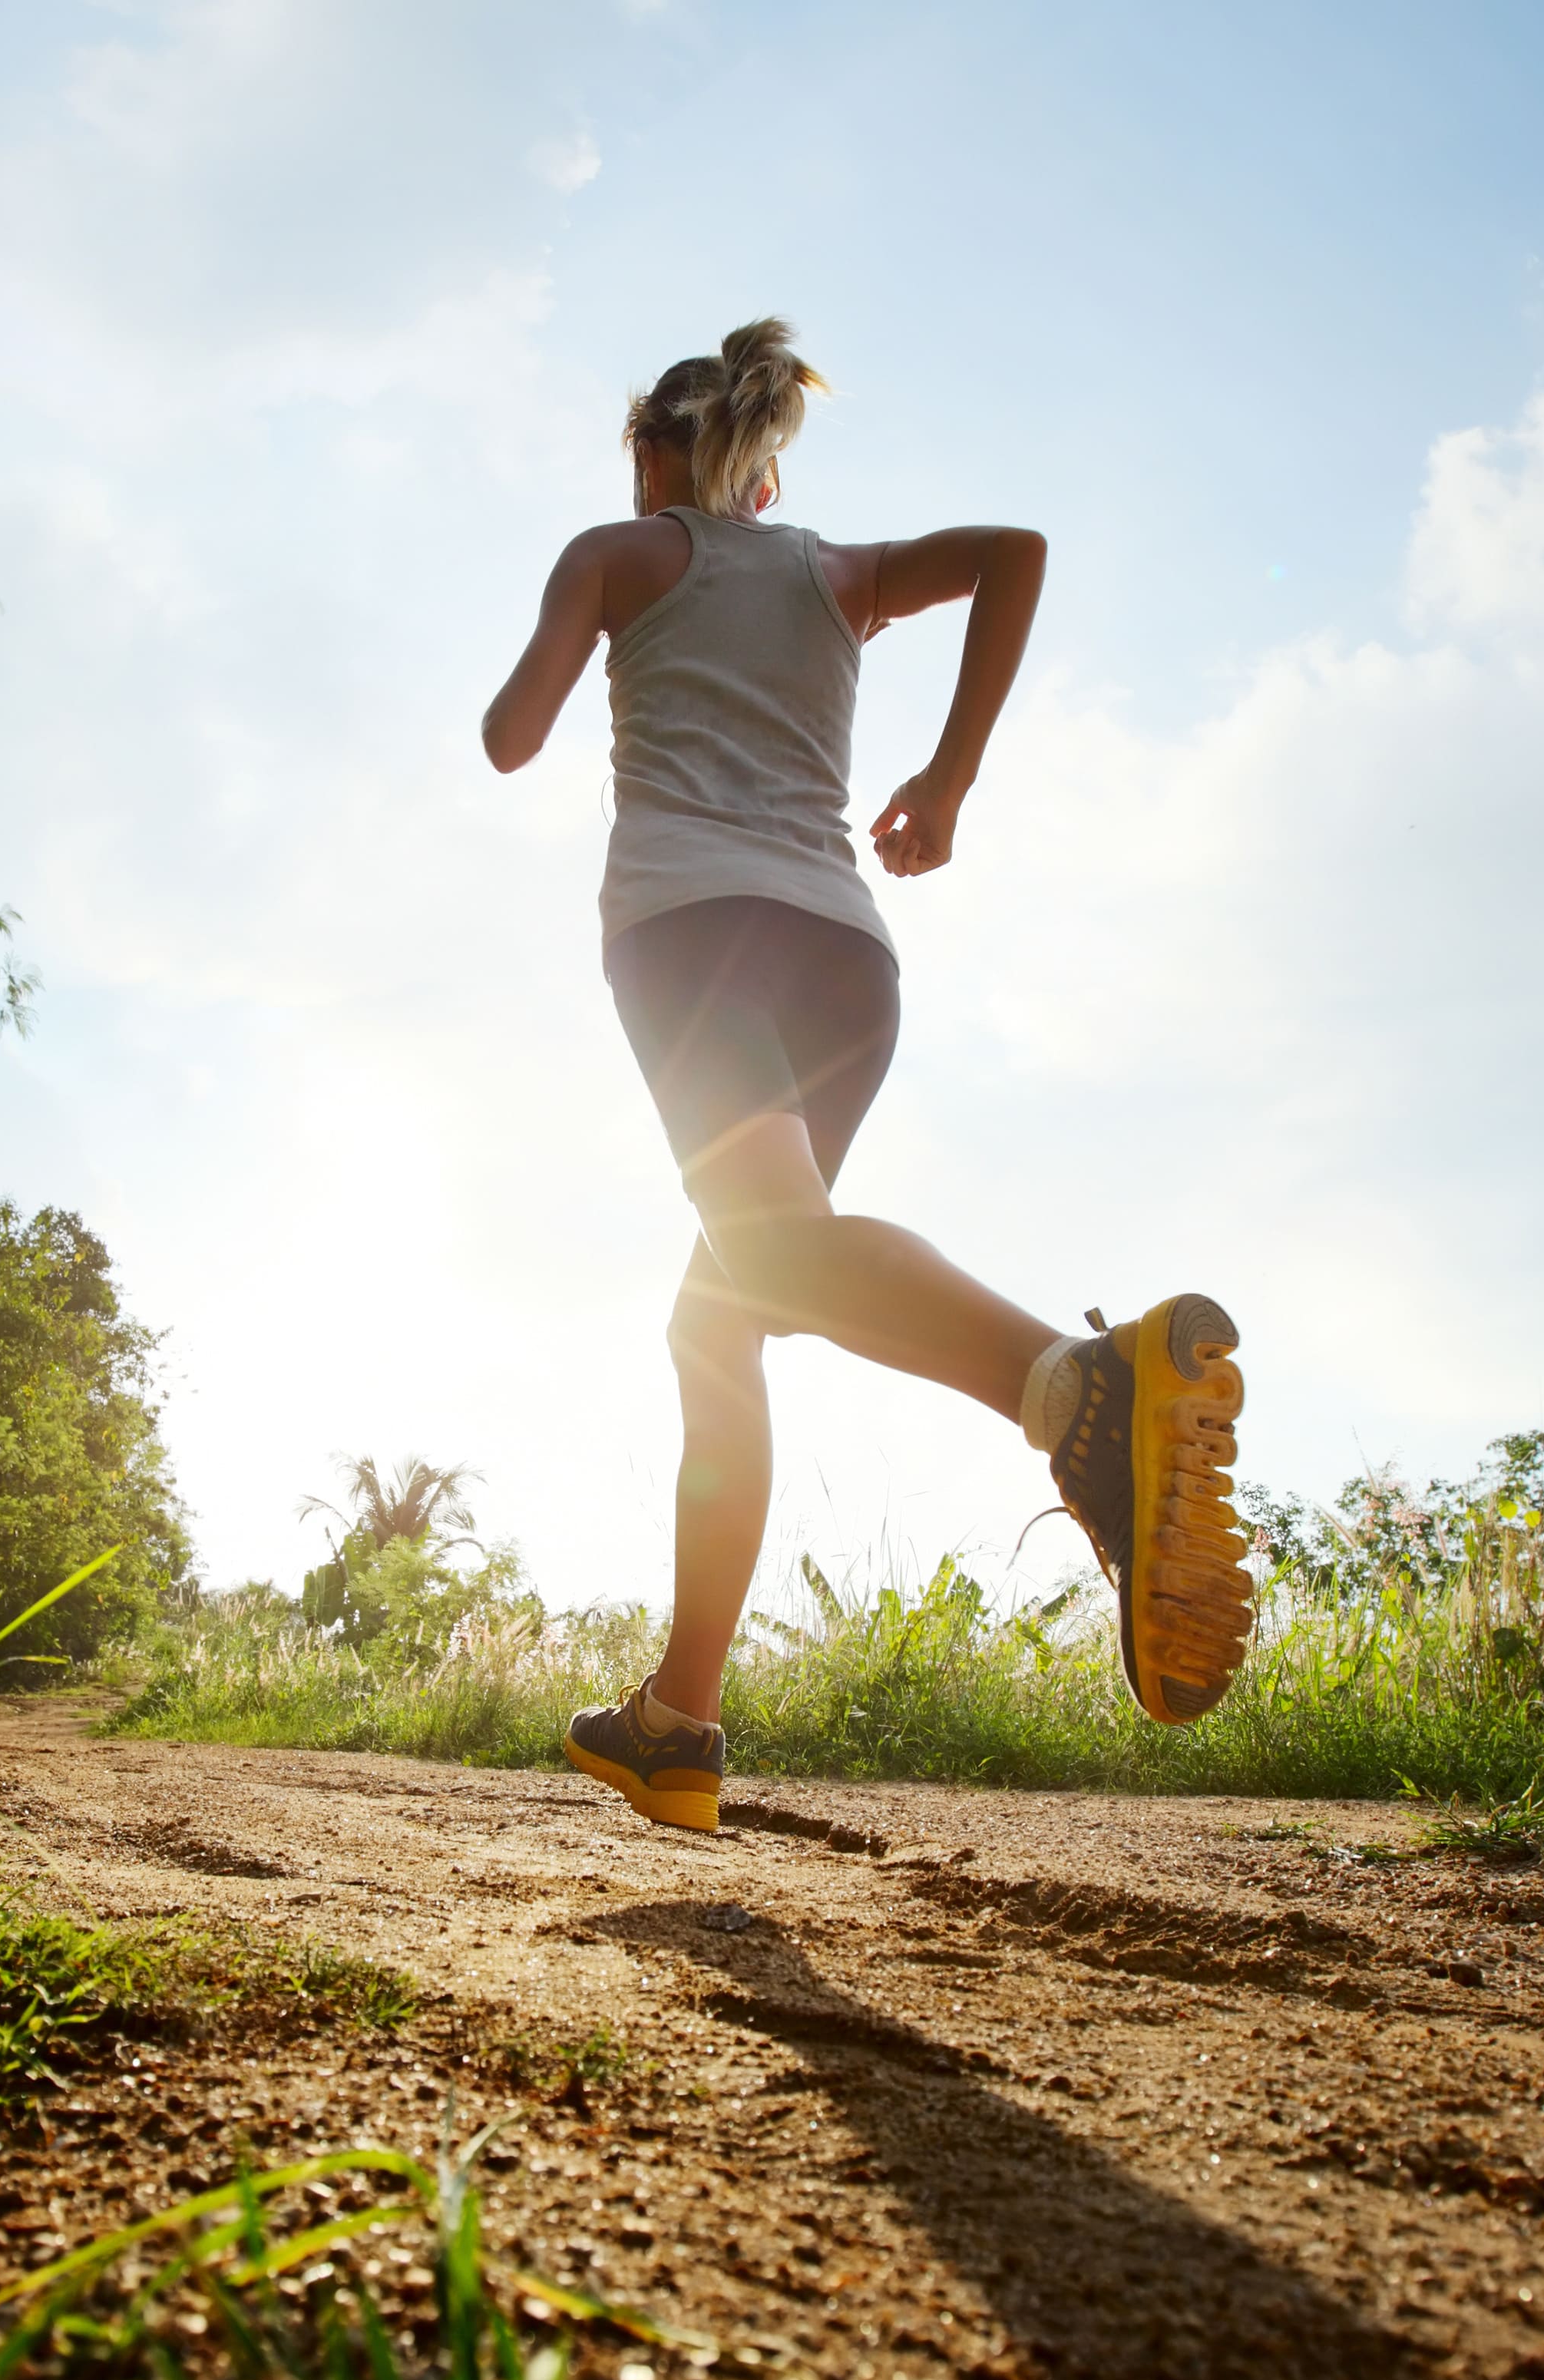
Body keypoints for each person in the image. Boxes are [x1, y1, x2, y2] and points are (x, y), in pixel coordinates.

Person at [480, 318, 1256, 1833]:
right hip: (844, 955)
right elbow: (1014, 552)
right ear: (764, 478)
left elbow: (512, 738)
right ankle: (679, 1718)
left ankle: (1078, 1387)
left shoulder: (617, 552)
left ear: (657, 463)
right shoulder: (836, 573)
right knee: (726, 1310)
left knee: (766, 1260)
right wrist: (948, 777)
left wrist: (584, 615)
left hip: (692, 933)